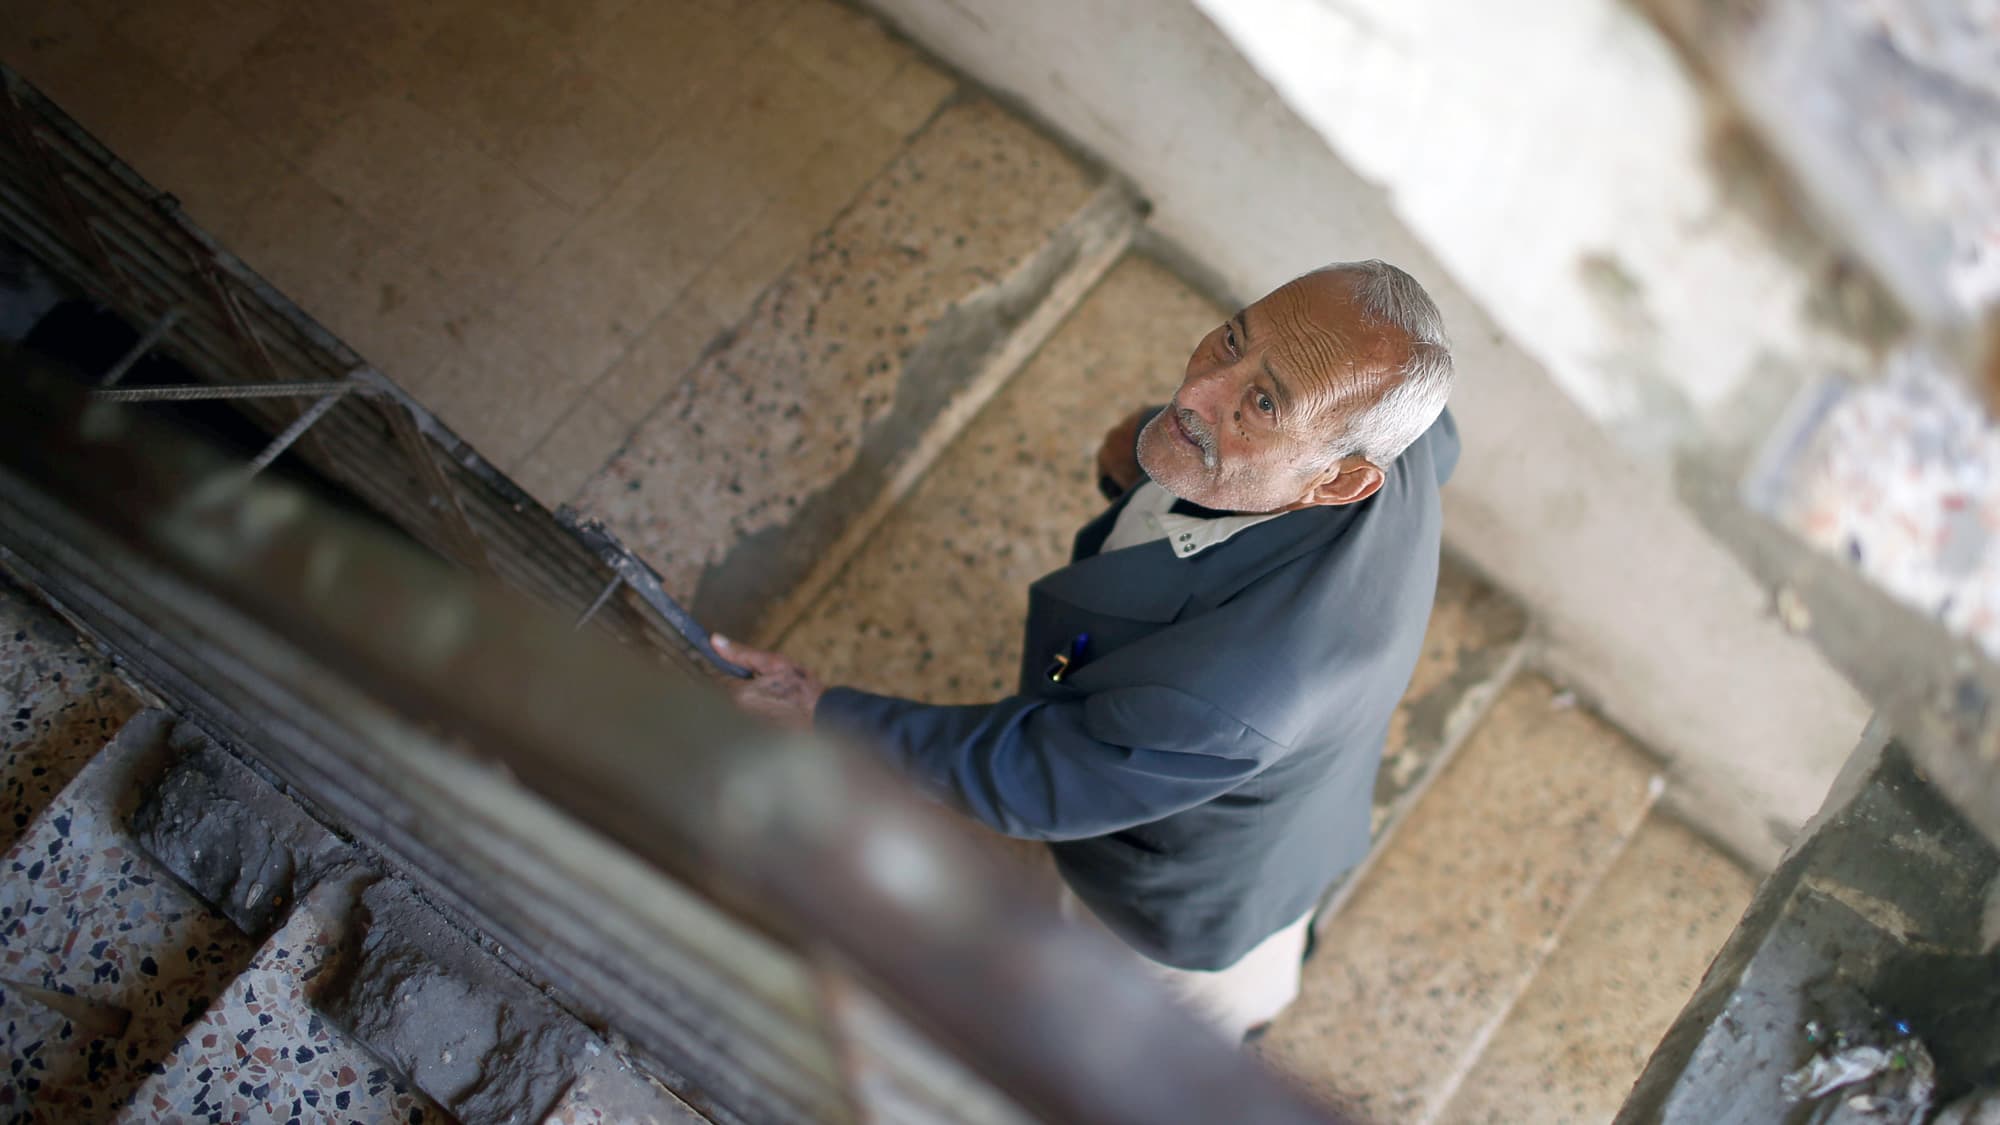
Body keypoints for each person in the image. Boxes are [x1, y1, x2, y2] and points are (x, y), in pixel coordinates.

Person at [714, 259, 1458, 1041]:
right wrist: (1169, 445)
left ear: (1340, 484)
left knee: (1140, 1016)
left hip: (1176, 899)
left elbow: (1036, 772)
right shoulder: (1401, 422)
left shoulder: (1225, 696)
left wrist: (828, 715)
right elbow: (1440, 447)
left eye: (1263, 401)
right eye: (1232, 337)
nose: (1195, 394)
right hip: (1295, 796)